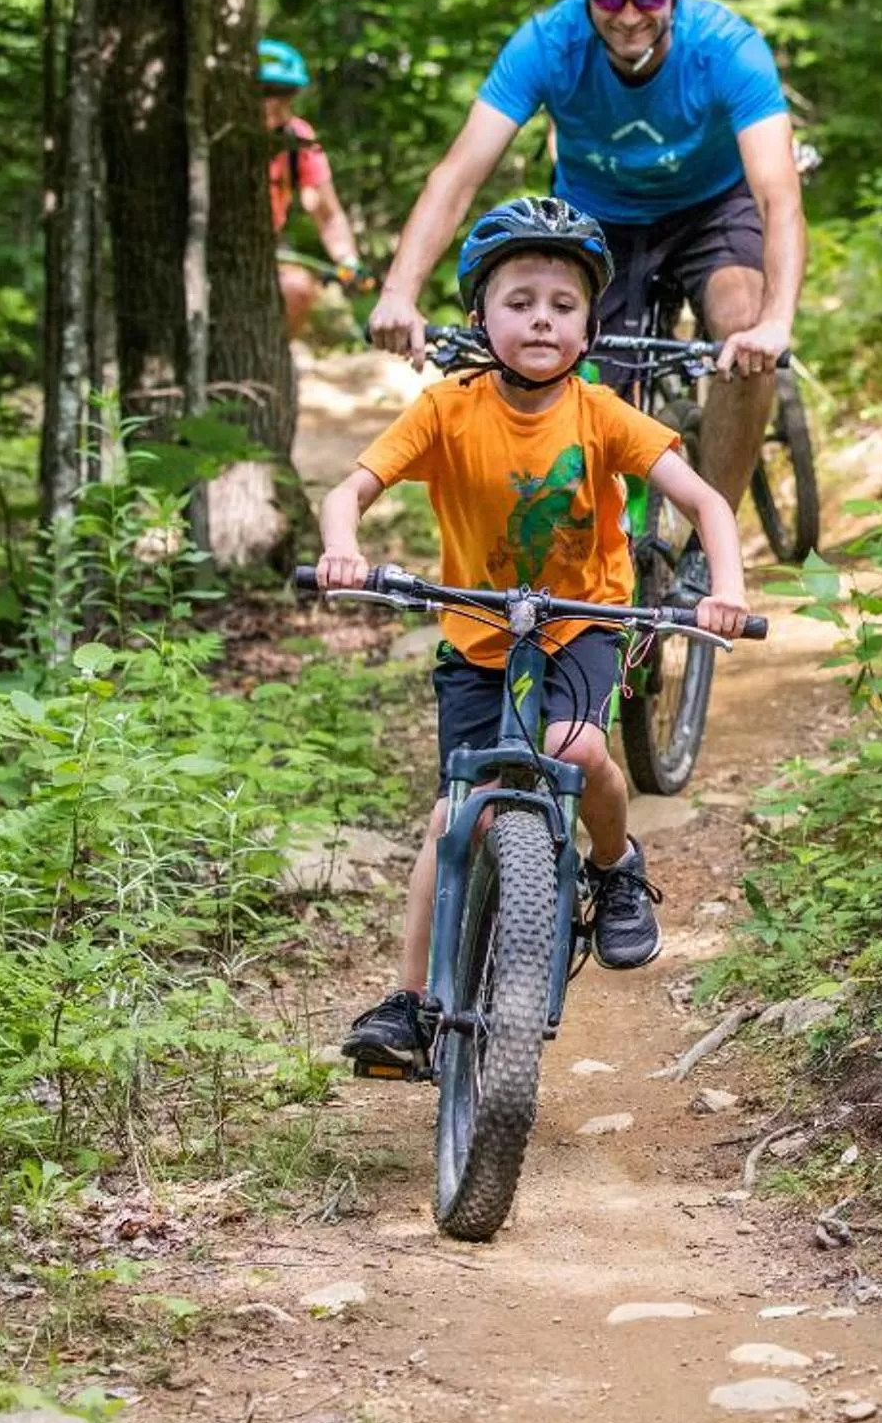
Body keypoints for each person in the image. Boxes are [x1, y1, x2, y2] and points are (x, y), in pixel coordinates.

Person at [318, 197, 752, 1071]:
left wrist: (726, 592)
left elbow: (704, 501)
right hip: (479, 639)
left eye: (562, 304)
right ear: (481, 317)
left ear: (592, 325)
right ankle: (413, 1004)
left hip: (581, 624)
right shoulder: (446, 408)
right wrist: (342, 550)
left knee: (575, 746)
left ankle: (616, 865)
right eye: (520, 302)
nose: (541, 320)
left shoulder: (600, 415)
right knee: (452, 816)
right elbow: (348, 492)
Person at [367, 0, 805, 553]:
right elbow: (457, 177)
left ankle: (704, 544)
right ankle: (607, 549)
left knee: (743, 336)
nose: (628, 14)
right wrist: (399, 292)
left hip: (710, 208)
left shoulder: (728, 47)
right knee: (578, 379)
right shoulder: (548, 43)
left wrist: (776, 323)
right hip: (598, 219)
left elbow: (777, 195)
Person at [263, 39, 369, 338]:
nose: (275, 103)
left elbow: (326, 212)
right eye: (266, 92)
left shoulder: (298, 138)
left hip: (267, 247)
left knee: (296, 289)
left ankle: (274, 356)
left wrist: (347, 259)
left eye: (285, 94)